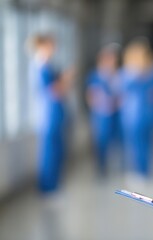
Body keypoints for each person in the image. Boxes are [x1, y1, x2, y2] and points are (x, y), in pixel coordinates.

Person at [28, 33, 73, 192]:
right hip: (48, 116)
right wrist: (66, 79)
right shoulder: (40, 67)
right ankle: (47, 189)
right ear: (42, 45)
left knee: (57, 152)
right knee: (49, 153)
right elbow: (54, 91)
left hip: (55, 114)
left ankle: (54, 186)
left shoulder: (47, 65)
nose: (53, 49)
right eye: (50, 45)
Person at [119, 38, 153, 185]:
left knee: (136, 144)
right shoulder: (150, 72)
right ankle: (144, 171)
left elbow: (120, 90)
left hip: (134, 114)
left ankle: (139, 171)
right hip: (145, 113)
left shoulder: (129, 73)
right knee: (146, 143)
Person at [86, 43, 121, 175]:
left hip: (115, 113)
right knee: (101, 141)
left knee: (116, 141)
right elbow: (90, 95)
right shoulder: (95, 76)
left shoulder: (116, 75)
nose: (113, 62)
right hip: (101, 114)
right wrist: (99, 107)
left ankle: (116, 166)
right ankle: (101, 169)